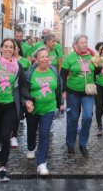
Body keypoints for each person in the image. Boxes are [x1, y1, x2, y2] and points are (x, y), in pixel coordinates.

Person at [0, 38, 33, 181]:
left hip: (11, 105)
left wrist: (28, 100)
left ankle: (3, 169)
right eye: (6, 46)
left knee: (6, 135)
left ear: (14, 50)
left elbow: (23, 86)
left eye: (11, 47)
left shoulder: (18, 67)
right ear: (1, 48)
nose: (8, 49)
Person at [61, 33, 101, 157]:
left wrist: (98, 64)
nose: (84, 45)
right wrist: (63, 91)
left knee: (88, 117)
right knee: (73, 118)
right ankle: (70, 143)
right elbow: (62, 75)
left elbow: (97, 72)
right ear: (76, 45)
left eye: (86, 42)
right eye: (81, 42)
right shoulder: (69, 58)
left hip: (88, 92)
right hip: (73, 92)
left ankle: (83, 144)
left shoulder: (93, 56)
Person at [25, 47, 64, 175]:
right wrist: (27, 101)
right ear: (36, 59)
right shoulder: (30, 73)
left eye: (47, 56)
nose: (45, 59)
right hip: (33, 109)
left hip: (49, 108)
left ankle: (41, 163)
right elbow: (24, 90)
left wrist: (60, 104)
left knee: (44, 133)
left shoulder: (53, 71)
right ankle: (31, 147)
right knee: (31, 130)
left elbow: (58, 88)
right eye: (42, 57)